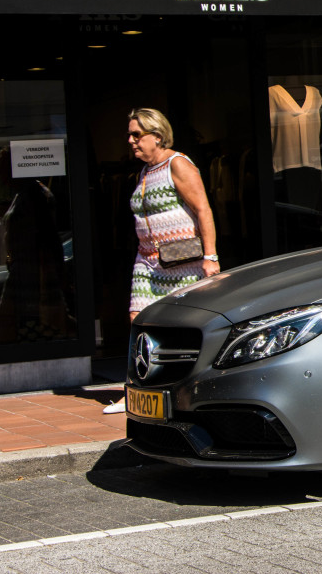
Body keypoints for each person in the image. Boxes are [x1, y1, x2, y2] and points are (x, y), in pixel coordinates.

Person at [106, 108, 218, 414]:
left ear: (157, 135)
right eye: (129, 135)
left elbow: (203, 209)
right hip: (148, 261)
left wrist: (210, 256)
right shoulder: (144, 172)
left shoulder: (177, 164)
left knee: (179, 324)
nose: (131, 141)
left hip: (181, 262)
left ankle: (177, 386)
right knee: (137, 320)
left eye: (137, 135)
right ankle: (134, 388)